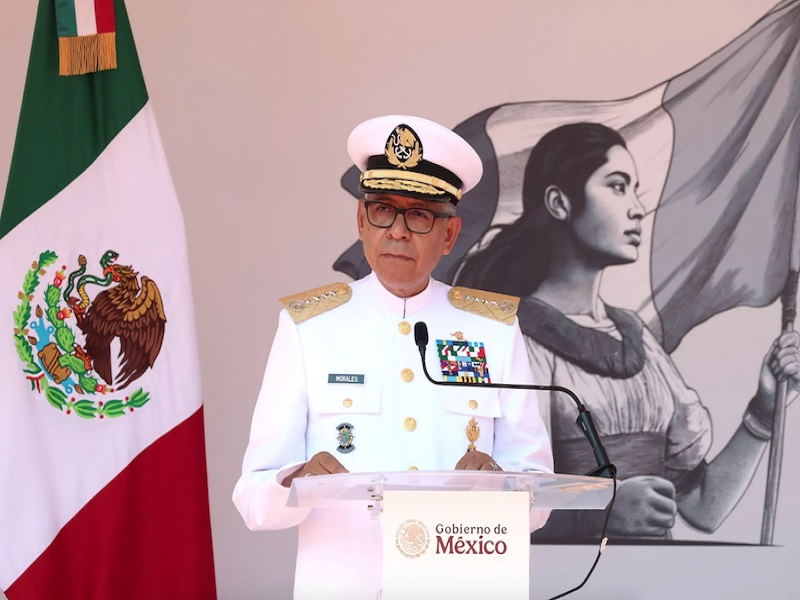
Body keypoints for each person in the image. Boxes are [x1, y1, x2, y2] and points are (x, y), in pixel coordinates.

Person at [233, 115, 554, 599]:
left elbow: (539, 493)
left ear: (450, 234)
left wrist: (500, 487)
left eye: (419, 215)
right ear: (362, 222)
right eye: (383, 210)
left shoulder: (494, 330)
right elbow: (253, 497)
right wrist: (297, 481)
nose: (398, 232)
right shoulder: (309, 328)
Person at [455, 122, 800, 541]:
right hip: (567, 575)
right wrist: (598, 511)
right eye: (617, 187)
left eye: (635, 190)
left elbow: (702, 507)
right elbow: (490, 506)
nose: (637, 208)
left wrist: (764, 410)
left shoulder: (638, 340)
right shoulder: (512, 337)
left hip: (653, 574)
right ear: (559, 203)